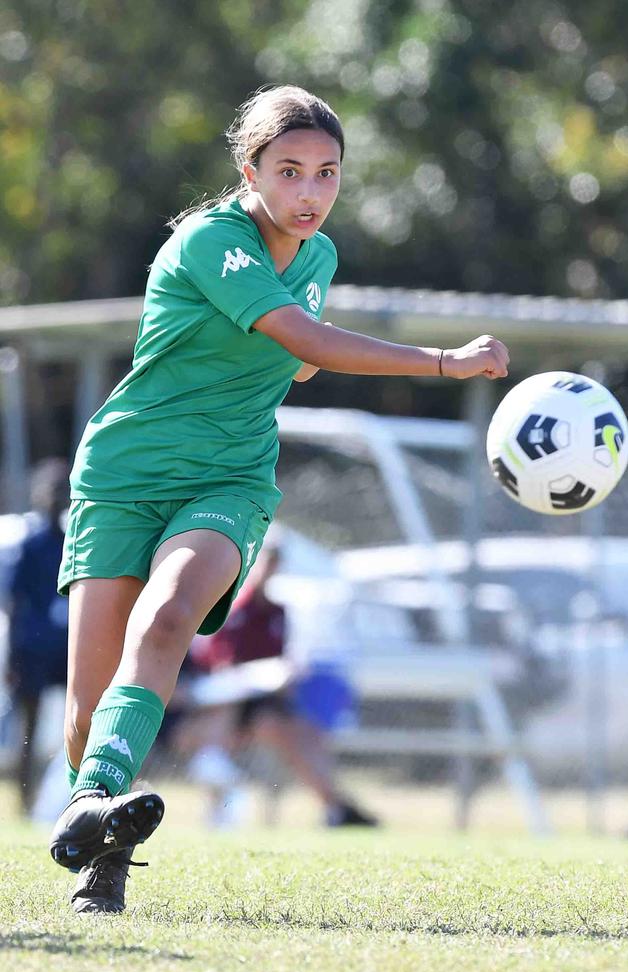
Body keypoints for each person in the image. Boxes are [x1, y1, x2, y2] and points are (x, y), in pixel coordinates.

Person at [48, 84, 509, 915]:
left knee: (166, 620)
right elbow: (304, 346)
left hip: (228, 478)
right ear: (248, 169)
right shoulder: (210, 239)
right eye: (289, 171)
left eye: (327, 174)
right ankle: (98, 835)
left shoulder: (318, 257)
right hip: (123, 474)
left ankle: (96, 828)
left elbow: (294, 363)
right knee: (86, 714)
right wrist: (445, 361)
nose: (309, 192)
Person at [170, 537, 376, 828]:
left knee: (304, 733)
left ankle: (336, 806)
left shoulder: (278, 612)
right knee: (235, 721)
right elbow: (218, 665)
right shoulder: (234, 607)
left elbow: (277, 660)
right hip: (223, 700)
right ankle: (222, 801)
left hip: (260, 699)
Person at [5, 458, 70, 815]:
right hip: (33, 651)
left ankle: (61, 798)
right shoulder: (29, 545)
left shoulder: (73, 543)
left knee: (74, 722)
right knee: (27, 729)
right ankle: (25, 800)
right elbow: (15, 602)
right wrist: (13, 657)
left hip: (64, 650)